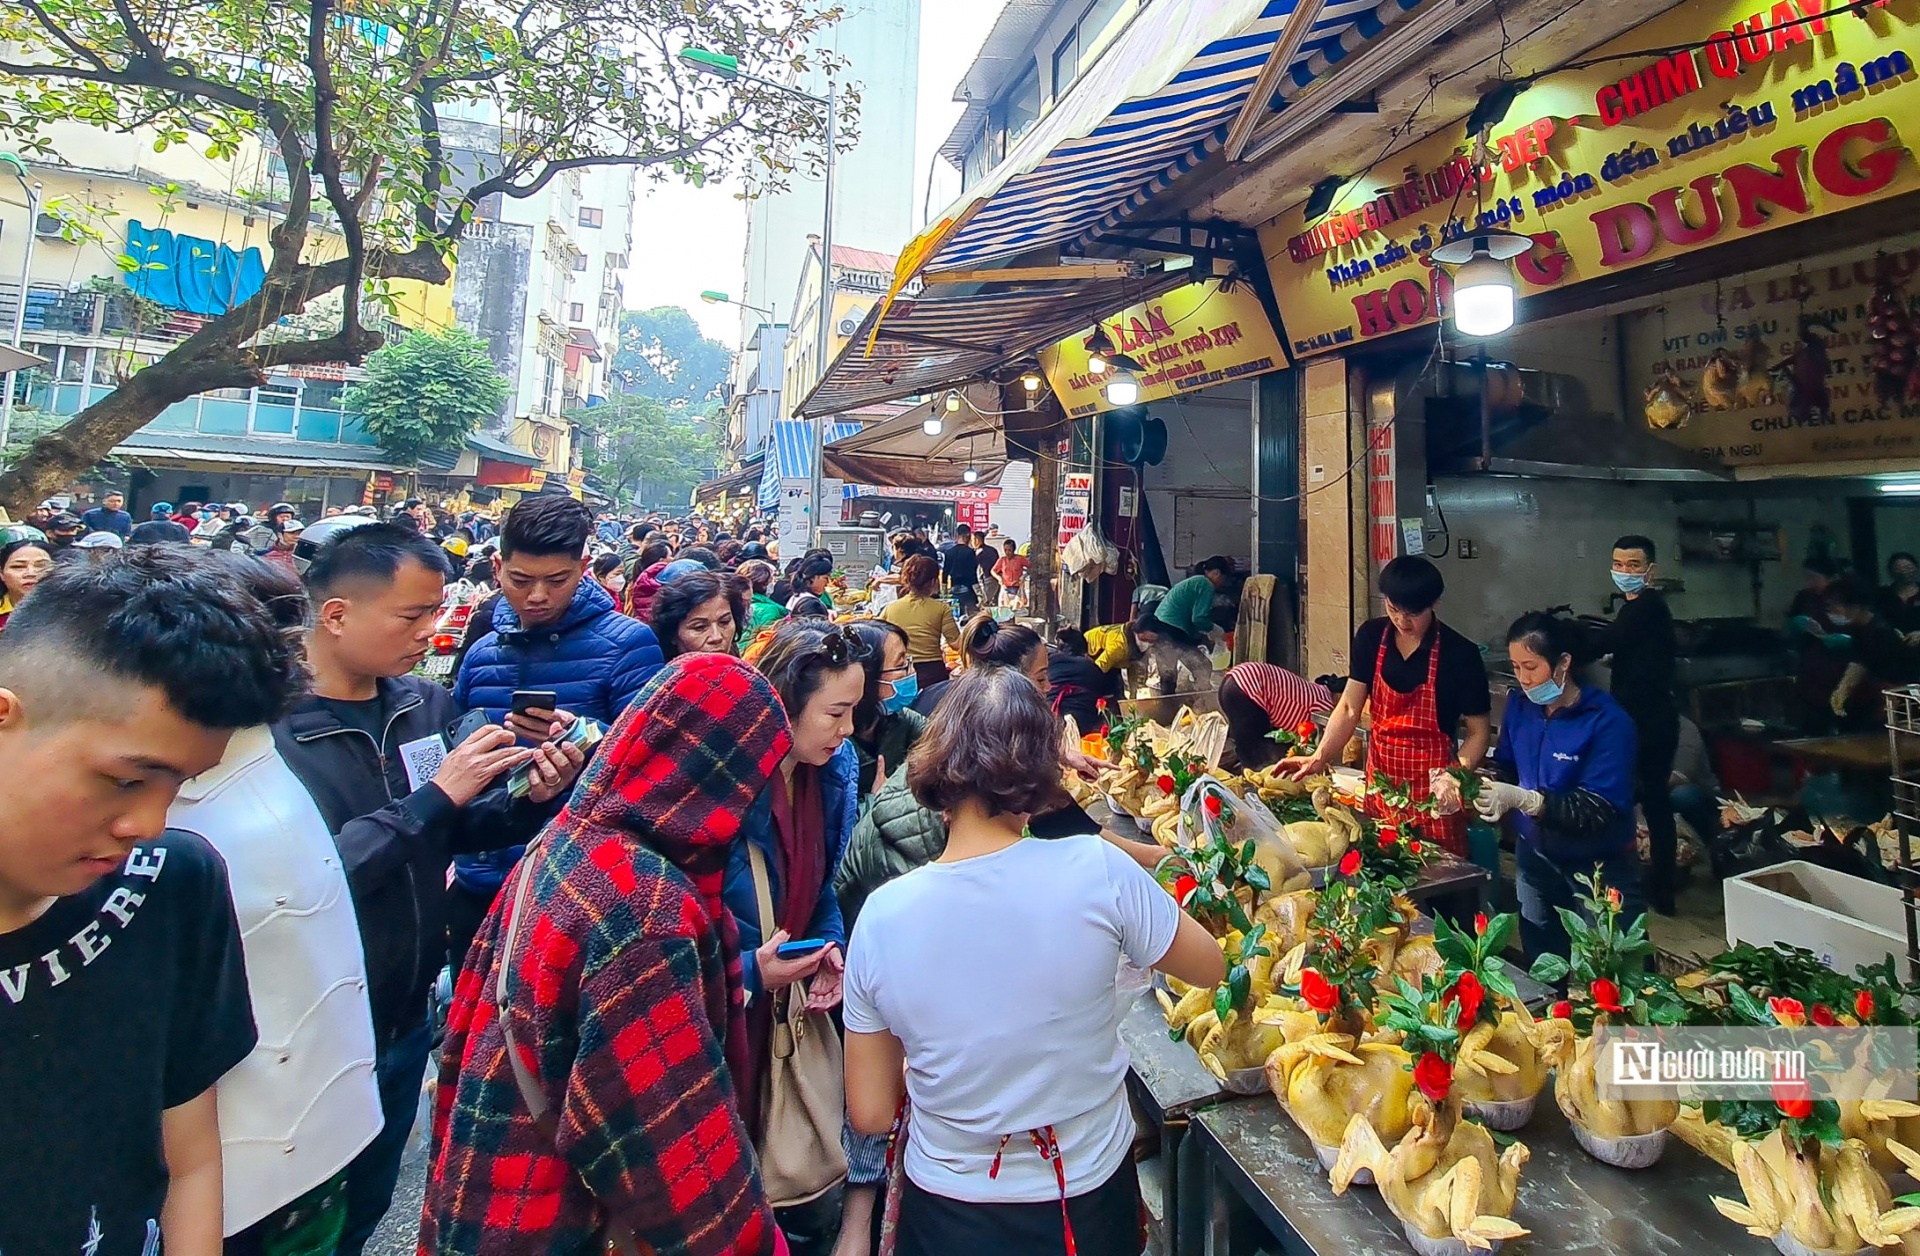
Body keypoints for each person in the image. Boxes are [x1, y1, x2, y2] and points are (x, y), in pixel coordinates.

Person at [276, 520, 586, 1254]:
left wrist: (533, 798)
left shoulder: (422, 704)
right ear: (336, 614)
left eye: (436, 612)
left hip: (406, 1011)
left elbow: (453, 828)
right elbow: (315, 875)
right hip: (309, 1027)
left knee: (368, 1202)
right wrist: (436, 797)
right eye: (412, 615)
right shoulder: (270, 729)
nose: (430, 631)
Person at [842, 667, 1225, 1255]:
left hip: (950, 1209)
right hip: (1087, 1197)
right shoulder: (1098, 870)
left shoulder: (882, 917)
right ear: (1043, 771)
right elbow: (1211, 968)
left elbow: (870, 1112)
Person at [420, 656, 791, 1256]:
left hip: (491, 1190)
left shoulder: (574, 835)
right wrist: (748, 1241)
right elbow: (661, 1131)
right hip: (553, 1215)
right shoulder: (645, 906)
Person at [0, 545, 309, 1256]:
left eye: (182, 785)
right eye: (126, 781)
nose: (148, 823)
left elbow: (189, 1158)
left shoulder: (170, 884)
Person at [159, 557, 382, 1253]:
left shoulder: (271, 749)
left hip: (325, 1125)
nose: (296, 658)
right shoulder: (157, 804)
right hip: (232, 1163)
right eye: (278, 640)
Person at [450, 496, 664, 974]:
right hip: (478, 879)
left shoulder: (628, 644)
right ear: (497, 567)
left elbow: (653, 762)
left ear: (583, 569)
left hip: (572, 888)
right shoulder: (482, 653)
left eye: (556, 580)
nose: (537, 596)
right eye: (521, 580)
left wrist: (583, 737)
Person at [728, 622, 865, 1140]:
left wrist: (829, 944)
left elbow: (819, 883)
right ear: (783, 706)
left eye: (853, 711)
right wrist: (747, 973)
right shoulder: (726, 790)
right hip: (725, 1019)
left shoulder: (827, 774)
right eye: (835, 713)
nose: (848, 729)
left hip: (785, 1009)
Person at [1283, 556, 1491, 857]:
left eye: (1413, 614)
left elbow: (1478, 733)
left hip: (1435, 794)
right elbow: (1349, 708)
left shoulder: (1460, 654)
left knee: (1440, 872)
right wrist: (1319, 756)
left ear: (1435, 603)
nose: (1402, 622)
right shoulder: (1371, 637)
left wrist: (1454, 776)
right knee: (1383, 867)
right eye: (1393, 609)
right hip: (1382, 786)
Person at [1477, 612, 1642, 961]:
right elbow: (1506, 765)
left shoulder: (1607, 722)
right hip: (1535, 859)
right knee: (1544, 963)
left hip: (1597, 867)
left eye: (1531, 667)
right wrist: (1481, 784)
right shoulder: (1521, 706)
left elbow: (1598, 808)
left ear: (1563, 662)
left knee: (1609, 966)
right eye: (1515, 667)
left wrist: (1528, 801)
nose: (1523, 679)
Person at [1594, 534, 1680, 914]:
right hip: (1643, 717)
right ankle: (1659, 888)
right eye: (1618, 564)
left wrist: (1558, 642)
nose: (1624, 571)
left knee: (1640, 802)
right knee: (1653, 804)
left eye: (1633, 565)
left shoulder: (1646, 607)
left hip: (1649, 723)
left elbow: (1607, 640)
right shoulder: (1636, 610)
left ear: (1651, 571)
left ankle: (1638, 887)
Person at [846, 618, 927, 798]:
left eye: (908, 661)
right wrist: (878, 800)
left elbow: (941, 741)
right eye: (901, 665)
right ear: (866, 677)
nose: (912, 671)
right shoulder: (834, 745)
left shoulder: (899, 718)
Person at [1826, 575, 1920, 728]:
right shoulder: (1859, 629)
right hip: (1879, 698)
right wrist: (1843, 689)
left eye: (1835, 605)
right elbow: (1858, 661)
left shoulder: (1881, 632)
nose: (1832, 610)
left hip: (1897, 703)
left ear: (1856, 605)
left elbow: (1894, 676)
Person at [1218, 661, 1337, 770]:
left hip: (1234, 680)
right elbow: (1323, 744)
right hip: (1247, 687)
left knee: (1245, 744)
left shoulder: (1319, 692)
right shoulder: (1324, 706)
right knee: (1257, 758)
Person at [1148, 557, 1235, 697]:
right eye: (1223, 578)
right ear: (1217, 573)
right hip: (1173, 629)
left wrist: (1201, 637)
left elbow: (1192, 620)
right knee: (1203, 666)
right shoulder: (1206, 585)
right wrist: (1217, 632)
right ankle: (1202, 701)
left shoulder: (1196, 581)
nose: (1222, 583)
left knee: (1168, 675)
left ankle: (1167, 708)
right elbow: (1199, 618)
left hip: (1159, 627)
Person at [879, 554, 960, 688]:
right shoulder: (941, 608)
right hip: (933, 673)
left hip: (902, 673)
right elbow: (956, 644)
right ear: (933, 582)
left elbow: (877, 639)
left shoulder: (890, 609)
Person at [651, 569, 749, 660]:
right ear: (673, 634)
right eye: (700, 627)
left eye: (724, 622)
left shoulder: (744, 669)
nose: (716, 637)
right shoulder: (655, 671)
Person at [1046, 627, 1120, 734]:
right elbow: (1109, 697)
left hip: (1049, 717)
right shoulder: (1093, 668)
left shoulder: (1048, 661)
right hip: (1082, 724)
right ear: (1085, 652)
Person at [0, 526, 55, 631]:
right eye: (18, 566)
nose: (31, 573)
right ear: (1, 573)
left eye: (41, 566)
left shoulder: (72, 609)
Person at [623, 538, 673, 620]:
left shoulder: (636, 582)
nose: (673, 559)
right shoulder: (653, 587)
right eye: (671, 556)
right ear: (661, 561)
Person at [739, 559, 787, 640]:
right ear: (764, 584)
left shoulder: (734, 603)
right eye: (771, 579)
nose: (774, 582)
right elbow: (769, 641)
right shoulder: (769, 610)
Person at [941, 523, 980, 618]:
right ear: (968, 535)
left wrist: (944, 590)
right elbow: (972, 573)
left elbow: (945, 572)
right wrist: (979, 592)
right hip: (967, 589)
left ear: (957, 535)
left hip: (954, 588)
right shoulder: (970, 552)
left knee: (955, 615)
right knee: (972, 615)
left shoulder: (949, 552)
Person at [1883, 551, 1920, 639]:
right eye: (1899, 568)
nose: (1904, 571)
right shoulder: (1883, 595)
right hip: (1891, 642)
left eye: (1908, 567)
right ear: (1891, 571)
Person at [992, 538, 1029, 609]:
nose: (1007, 552)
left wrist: (1024, 576)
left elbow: (1031, 567)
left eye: (1009, 550)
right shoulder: (1002, 560)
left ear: (1013, 550)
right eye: (1005, 550)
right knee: (1005, 608)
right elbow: (993, 571)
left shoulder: (1020, 559)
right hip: (1006, 587)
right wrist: (999, 578)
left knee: (1018, 608)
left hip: (1017, 587)